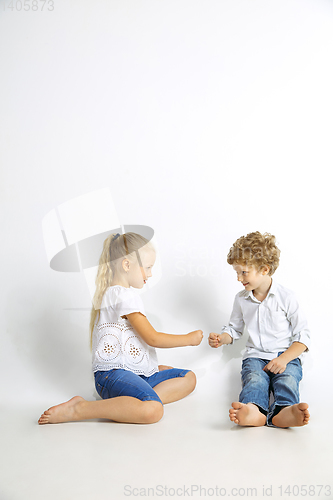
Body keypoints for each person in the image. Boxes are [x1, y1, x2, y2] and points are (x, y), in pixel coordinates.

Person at [38, 232, 203, 425]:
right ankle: (81, 409)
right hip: (111, 376)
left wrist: (146, 367)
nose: (150, 274)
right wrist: (189, 339)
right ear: (126, 265)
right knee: (154, 411)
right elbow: (152, 338)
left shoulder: (114, 293)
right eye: (147, 268)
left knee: (188, 378)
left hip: (133, 373)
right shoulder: (123, 296)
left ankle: (131, 402)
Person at [208, 231, 310, 428]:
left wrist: (284, 359)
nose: (238, 278)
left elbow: (303, 336)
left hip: (284, 355)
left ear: (264, 269)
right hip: (255, 356)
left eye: (243, 272)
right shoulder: (241, 299)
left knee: (288, 379)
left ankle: (284, 411)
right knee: (254, 380)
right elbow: (235, 330)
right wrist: (222, 337)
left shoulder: (286, 297)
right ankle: (254, 410)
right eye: (236, 273)